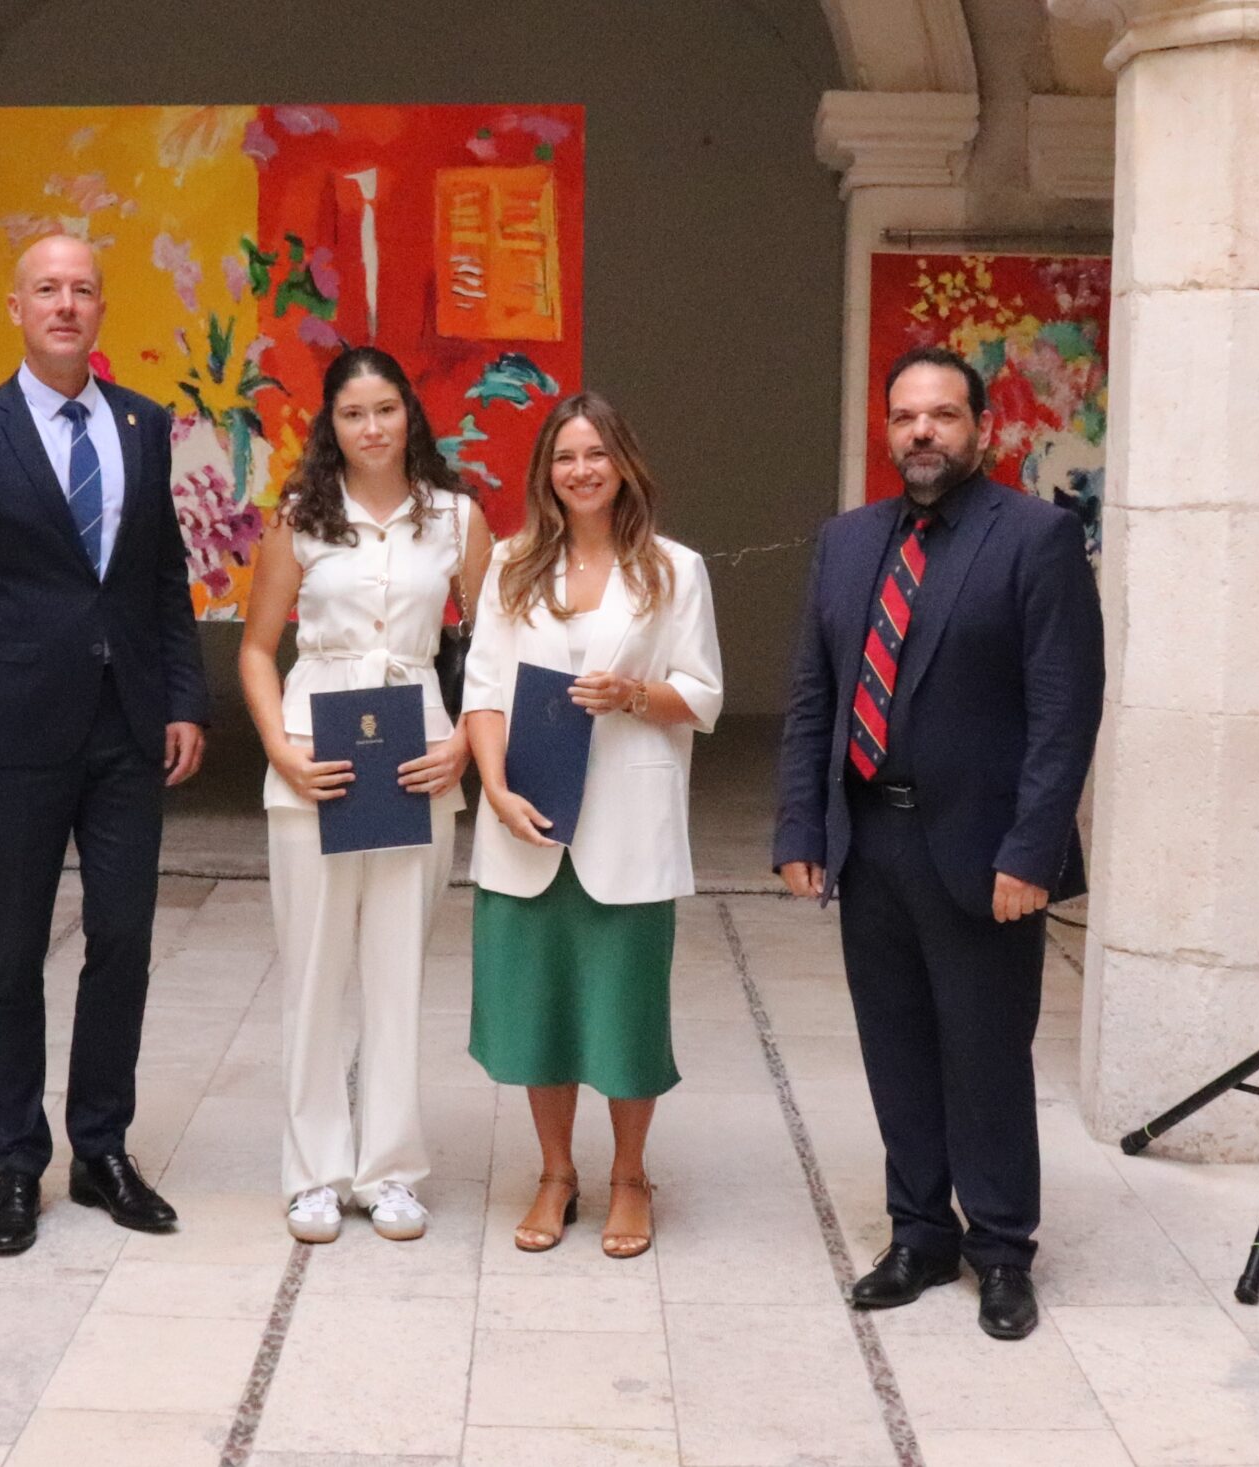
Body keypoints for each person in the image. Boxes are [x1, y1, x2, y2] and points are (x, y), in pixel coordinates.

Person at [773, 345, 1103, 1338]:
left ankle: (1000, 1249)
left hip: (984, 852)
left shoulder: (1036, 538)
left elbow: (1063, 712)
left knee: (986, 1055)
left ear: (980, 428)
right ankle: (919, 1234)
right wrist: (801, 823)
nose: (922, 431)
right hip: (870, 838)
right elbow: (815, 695)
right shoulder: (846, 542)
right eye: (905, 416)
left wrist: (1030, 852)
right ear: (887, 431)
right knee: (896, 1048)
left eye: (943, 415)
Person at [0, 234, 210, 1257]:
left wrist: (184, 698)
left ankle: (102, 1148)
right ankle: (16, 1163)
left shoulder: (143, 425)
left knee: (123, 939)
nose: (65, 305)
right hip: (13, 734)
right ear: (16, 308)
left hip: (126, 730)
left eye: (82, 289)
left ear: (101, 307)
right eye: (47, 289)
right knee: (12, 953)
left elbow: (161, 579)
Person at [240, 346, 492, 1244]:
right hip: (316, 752)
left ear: (409, 414)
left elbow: (494, 645)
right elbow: (257, 649)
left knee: (396, 972)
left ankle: (390, 1170)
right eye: (353, 413)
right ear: (331, 424)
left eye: (386, 409)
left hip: (417, 754)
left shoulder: (455, 516)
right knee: (312, 973)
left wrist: (462, 742)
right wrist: (281, 748)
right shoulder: (300, 517)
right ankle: (313, 1172)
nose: (372, 427)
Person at [464, 392, 724, 1259]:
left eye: (596, 454)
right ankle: (554, 1173)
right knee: (536, 1008)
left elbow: (705, 694)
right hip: (529, 817)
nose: (581, 470)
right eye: (565, 456)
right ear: (546, 472)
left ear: (624, 465)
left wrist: (634, 694)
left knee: (624, 1011)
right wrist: (495, 790)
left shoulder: (673, 569)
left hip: (628, 823)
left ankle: (629, 1177)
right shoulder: (511, 564)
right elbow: (484, 691)